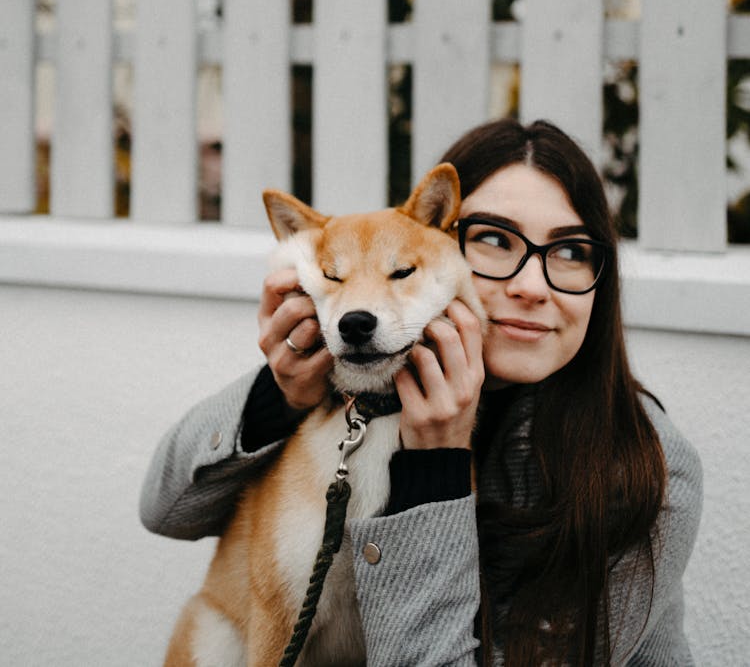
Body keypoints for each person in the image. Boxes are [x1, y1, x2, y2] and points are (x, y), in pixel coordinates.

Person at [140, 118, 702, 666]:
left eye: (572, 250)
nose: (531, 286)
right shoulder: (362, 382)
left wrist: (434, 468)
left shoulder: (649, 468)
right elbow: (166, 512)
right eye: (493, 240)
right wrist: (282, 393)